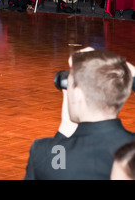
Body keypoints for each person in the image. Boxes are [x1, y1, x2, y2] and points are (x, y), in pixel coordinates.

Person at [25, 48, 135, 180]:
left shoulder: (46, 153)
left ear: (77, 94)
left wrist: (64, 131)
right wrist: (119, 69)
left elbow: (57, 167)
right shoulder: (130, 150)